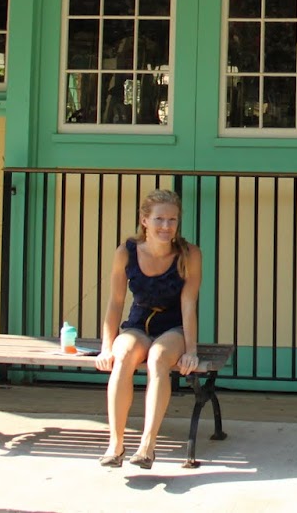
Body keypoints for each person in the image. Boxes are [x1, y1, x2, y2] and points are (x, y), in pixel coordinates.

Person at [94, 189, 203, 468]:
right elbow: (116, 302)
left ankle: (147, 445)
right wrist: (106, 347)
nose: (166, 226)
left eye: (172, 220)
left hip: (172, 326)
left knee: (157, 359)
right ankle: (115, 444)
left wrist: (191, 350)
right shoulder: (126, 252)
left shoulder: (188, 254)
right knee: (123, 356)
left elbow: (189, 303)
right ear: (145, 220)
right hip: (138, 323)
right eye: (159, 219)